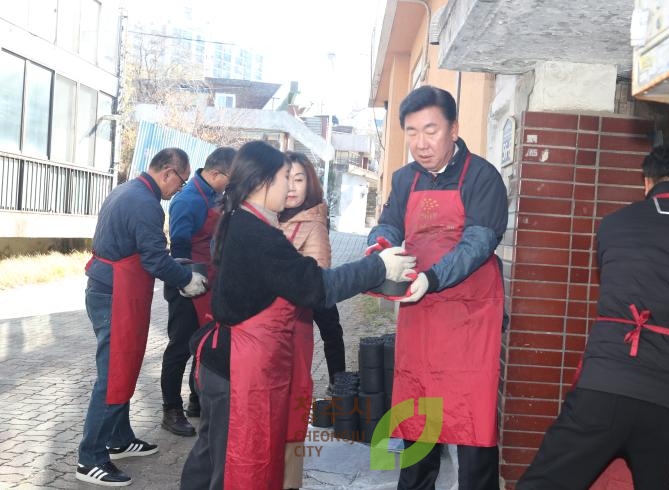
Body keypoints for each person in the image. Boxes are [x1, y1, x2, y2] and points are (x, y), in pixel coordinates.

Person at [179, 140, 416, 490]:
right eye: (284, 178)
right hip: (239, 368)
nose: (289, 187)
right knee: (232, 465)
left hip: (223, 361)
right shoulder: (256, 233)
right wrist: (378, 267)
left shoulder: (238, 219)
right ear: (263, 182)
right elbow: (316, 287)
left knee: (210, 455)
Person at [517, 143, 669, 490]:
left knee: (545, 483)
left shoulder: (613, 224)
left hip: (603, 384)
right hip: (666, 395)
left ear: (646, 182)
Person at [367, 85, 508, 490]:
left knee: (471, 420)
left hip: (469, 317)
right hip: (421, 315)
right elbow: (390, 224)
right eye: (411, 132)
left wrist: (432, 278)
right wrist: (380, 247)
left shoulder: (482, 176)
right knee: (418, 413)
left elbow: (479, 242)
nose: (420, 143)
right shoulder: (404, 178)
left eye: (430, 130)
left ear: (454, 129)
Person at [77, 148, 209, 487]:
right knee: (112, 374)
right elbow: (154, 259)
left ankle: (119, 438)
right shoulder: (144, 203)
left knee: (126, 366)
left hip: (113, 290)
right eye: (179, 183)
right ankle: (90, 458)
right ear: (168, 172)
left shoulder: (128, 190)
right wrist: (186, 280)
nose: (178, 191)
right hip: (114, 294)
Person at [278, 151, 347, 489]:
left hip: (297, 316)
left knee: (330, 332)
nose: (291, 186)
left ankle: (338, 384)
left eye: (299, 179)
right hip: (279, 323)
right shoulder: (274, 214)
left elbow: (315, 281)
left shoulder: (312, 222)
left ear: (311, 183)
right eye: (286, 177)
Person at [160, 146, 235, 437]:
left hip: (210, 283)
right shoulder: (188, 200)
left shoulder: (217, 195)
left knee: (203, 344)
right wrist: (186, 281)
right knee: (180, 347)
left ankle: (196, 400)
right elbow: (178, 247)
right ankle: (171, 410)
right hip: (186, 283)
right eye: (230, 178)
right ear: (215, 173)